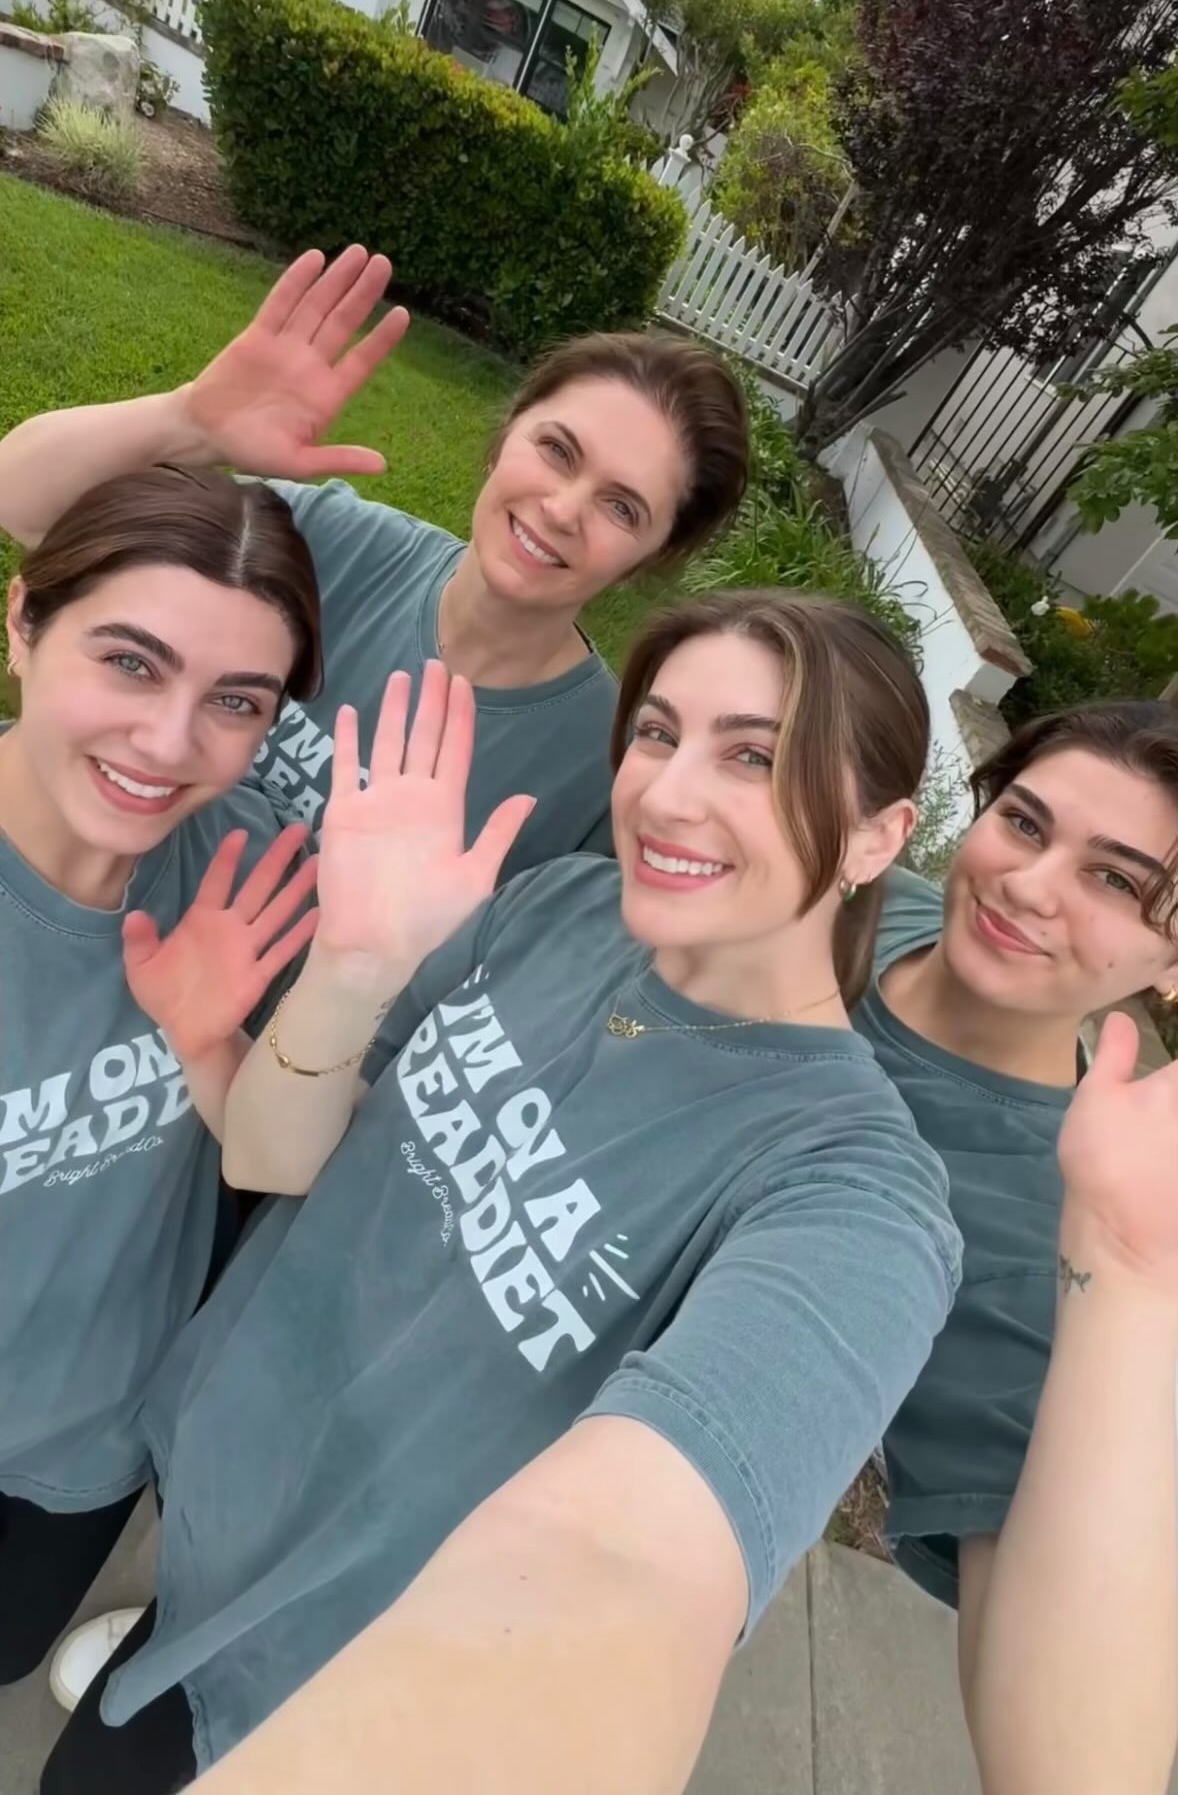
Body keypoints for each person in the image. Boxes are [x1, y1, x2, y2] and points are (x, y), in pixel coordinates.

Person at [40, 589, 962, 1795]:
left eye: (753, 754)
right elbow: (273, 1157)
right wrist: (354, 962)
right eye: (656, 731)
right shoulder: (555, 909)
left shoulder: (850, 1187)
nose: (668, 792)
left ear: (876, 837)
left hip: (339, 1674)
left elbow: (631, 1564)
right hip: (217, 1503)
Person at [0, 247, 749, 871]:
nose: (561, 508)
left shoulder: (602, 770)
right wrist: (186, 421)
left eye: (622, 507)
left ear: (654, 555)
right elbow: (26, 504)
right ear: (503, 438)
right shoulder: (325, 542)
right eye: (556, 450)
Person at [0, 465, 323, 1704]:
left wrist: (210, 1041)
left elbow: (279, 1166)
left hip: (92, 1440)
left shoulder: (253, 871)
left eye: (235, 700)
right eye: (129, 661)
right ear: (21, 622)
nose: (168, 741)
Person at [857, 700, 1178, 1795]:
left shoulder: (1042, 1222)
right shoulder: (854, 902)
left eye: (1115, 881)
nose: (1029, 886)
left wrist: (1127, 1273)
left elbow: (1070, 1762)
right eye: (1024, 823)